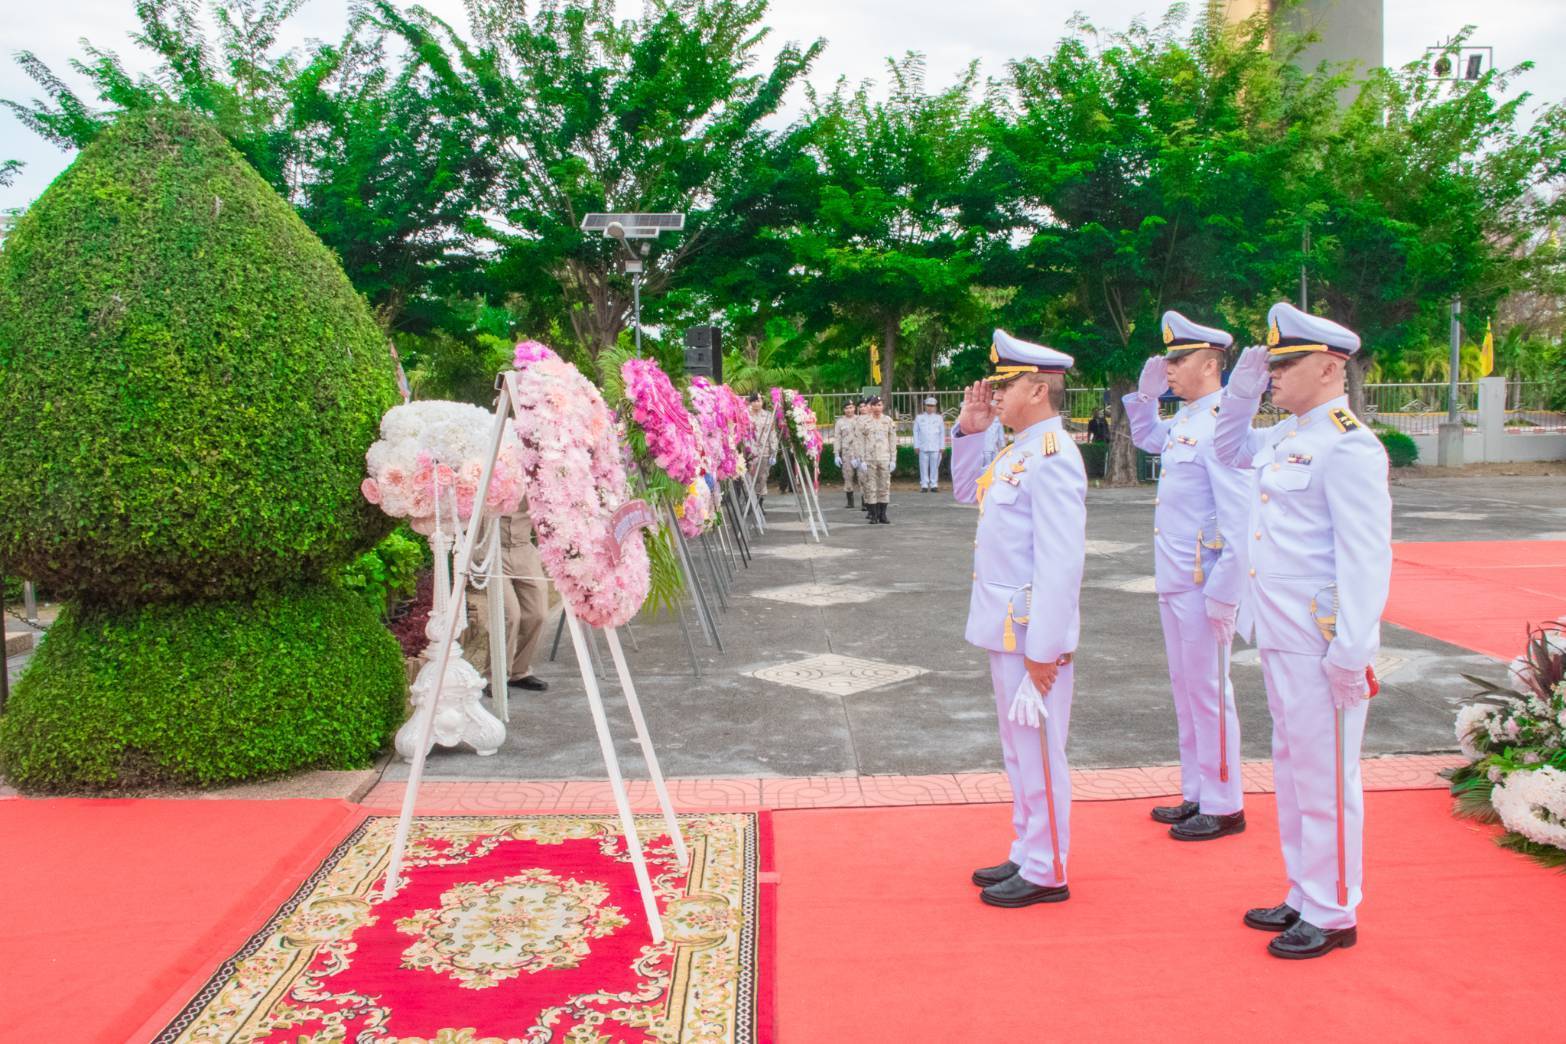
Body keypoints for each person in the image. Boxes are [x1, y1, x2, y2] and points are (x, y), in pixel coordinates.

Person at [1211, 301, 1391, 960]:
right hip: (1281, 635)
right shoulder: (1288, 435)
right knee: (1293, 770)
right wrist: (1242, 389)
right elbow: (1227, 447)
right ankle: (1305, 890)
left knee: (1327, 777)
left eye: (1283, 364)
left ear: (1328, 364)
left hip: (1323, 645)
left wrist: (1351, 652)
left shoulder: (1347, 445)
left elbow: (1367, 556)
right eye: (1270, 363)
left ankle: (1335, 908)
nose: (1273, 374)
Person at [952, 330, 1086, 909]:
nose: (995, 393)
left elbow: (1062, 560)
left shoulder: (1054, 456)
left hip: (1032, 632)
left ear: (1037, 388)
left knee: (1039, 750)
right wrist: (970, 431)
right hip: (1005, 625)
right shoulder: (1017, 449)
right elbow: (964, 491)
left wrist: (1046, 649)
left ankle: (1048, 866)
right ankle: (1028, 845)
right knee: (1018, 750)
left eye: (1004, 385)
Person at [1124, 312, 1252, 841]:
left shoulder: (1224, 424)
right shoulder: (1190, 420)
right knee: (1186, 688)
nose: (1169, 367)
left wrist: (1225, 594)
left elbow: (1241, 521)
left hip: (1205, 584)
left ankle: (1225, 802)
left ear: (1209, 362)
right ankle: (1198, 789)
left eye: (1178, 360)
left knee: (1208, 690)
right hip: (1177, 576)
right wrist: (1144, 396)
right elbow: (1149, 439)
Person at [466, 504, 550, 693]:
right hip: (494, 549)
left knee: (538, 614)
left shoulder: (535, 475)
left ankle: (519, 672)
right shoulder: (484, 473)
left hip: (524, 548)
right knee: (509, 615)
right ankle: (493, 677)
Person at [859, 395, 898, 524]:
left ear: (883, 406)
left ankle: (883, 514)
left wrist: (893, 459)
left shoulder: (888, 421)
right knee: (871, 486)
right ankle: (874, 515)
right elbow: (861, 441)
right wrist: (862, 459)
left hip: (884, 458)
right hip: (870, 459)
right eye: (875, 405)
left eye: (880, 405)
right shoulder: (865, 422)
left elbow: (892, 441)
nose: (877, 407)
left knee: (885, 486)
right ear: (871, 406)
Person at [746, 393, 778, 510]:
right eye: (754, 400)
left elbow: (772, 435)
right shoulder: (746, 415)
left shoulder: (768, 416)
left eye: (759, 400)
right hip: (750, 453)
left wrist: (774, 452)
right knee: (750, 478)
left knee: (763, 478)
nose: (757, 403)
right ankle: (750, 503)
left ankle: (760, 504)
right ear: (751, 402)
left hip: (764, 452)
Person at [913, 396, 947, 491]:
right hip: (923, 446)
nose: (930, 408)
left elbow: (942, 433)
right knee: (923, 467)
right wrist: (916, 445)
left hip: (935, 446)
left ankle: (934, 485)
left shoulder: (939, 418)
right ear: (925, 406)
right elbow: (915, 432)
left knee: (935, 467)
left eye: (932, 406)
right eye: (928, 405)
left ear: (935, 407)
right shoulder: (919, 418)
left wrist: (942, 446)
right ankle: (924, 485)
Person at [833, 401, 863, 508]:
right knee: (847, 476)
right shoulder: (840, 422)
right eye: (846, 408)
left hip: (859, 453)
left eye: (851, 407)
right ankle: (850, 502)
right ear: (843, 410)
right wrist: (836, 454)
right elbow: (837, 439)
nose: (849, 410)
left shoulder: (860, 420)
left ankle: (865, 503)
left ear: (854, 408)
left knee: (862, 477)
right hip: (846, 453)